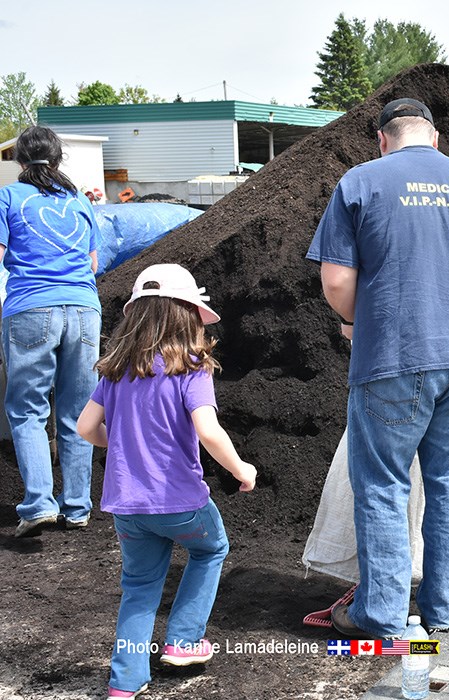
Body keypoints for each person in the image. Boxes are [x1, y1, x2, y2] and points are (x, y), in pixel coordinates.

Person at [307, 98, 449, 639]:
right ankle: (444, 613)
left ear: (383, 140)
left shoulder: (361, 182)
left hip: (392, 359)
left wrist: (359, 321)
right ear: (435, 138)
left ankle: (380, 615)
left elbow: (336, 280)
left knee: (383, 486)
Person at [75, 263, 257, 700]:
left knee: (139, 587)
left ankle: (125, 682)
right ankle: (184, 640)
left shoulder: (115, 371)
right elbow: (209, 431)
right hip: (180, 502)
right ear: (188, 315)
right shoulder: (191, 367)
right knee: (211, 549)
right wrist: (241, 469)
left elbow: (85, 428)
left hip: (127, 507)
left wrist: (122, 442)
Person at [0, 126, 102, 538]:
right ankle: (77, 507)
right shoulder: (79, 200)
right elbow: (93, 263)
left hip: (30, 309)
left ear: (19, 160)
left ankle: (40, 503)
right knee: (78, 412)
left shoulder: (8, 197)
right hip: (84, 310)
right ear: (59, 158)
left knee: (27, 410)